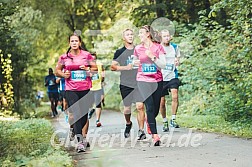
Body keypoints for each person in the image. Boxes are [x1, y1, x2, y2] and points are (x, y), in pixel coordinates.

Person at [55, 32, 97, 153]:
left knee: (84, 114)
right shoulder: (64, 57)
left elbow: (95, 70)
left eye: (76, 41)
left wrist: (88, 69)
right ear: (69, 43)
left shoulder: (87, 55)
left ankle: (75, 128)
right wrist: (64, 74)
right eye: (72, 41)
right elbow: (57, 71)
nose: (74, 43)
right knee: (77, 112)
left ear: (80, 43)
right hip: (71, 89)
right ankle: (80, 142)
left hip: (85, 88)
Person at [111, 28, 146, 140]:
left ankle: (141, 131)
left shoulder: (139, 49)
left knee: (140, 106)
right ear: (123, 38)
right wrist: (126, 67)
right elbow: (113, 67)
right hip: (125, 83)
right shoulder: (119, 52)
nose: (130, 36)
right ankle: (128, 123)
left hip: (139, 81)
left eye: (131, 34)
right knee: (127, 109)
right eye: (128, 35)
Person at [133, 25, 166, 146]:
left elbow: (163, 65)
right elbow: (135, 62)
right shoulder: (137, 48)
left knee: (155, 108)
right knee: (150, 107)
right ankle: (155, 135)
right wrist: (135, 63)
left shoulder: (158, 47)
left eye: (141, 33)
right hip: (143, 79)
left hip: (157, 80)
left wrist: (152, 56)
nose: (139, 35)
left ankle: (149, 122)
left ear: (148, 34)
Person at [159, 29, 181, 131]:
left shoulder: (175, 47)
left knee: (175, 96)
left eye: (168, 36)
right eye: (164, 36)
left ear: (170, 37)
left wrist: (177, 61)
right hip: (161, 77)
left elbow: (178, 59)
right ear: (161, 37)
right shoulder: (158, 48)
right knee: (162, 102)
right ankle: (164, 121)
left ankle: (173, 119)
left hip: (172, 75)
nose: (167, 38)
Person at [88, 52, 105, 127]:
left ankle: (98, 120)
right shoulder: (87, 65)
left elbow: (103, 72)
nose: (93, 59)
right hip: (89, 87)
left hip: (98, 86)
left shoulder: (99, 64)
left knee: (98, 103)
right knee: (89, 103)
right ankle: (92, 109)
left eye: (94, 58)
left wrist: (102, 79)